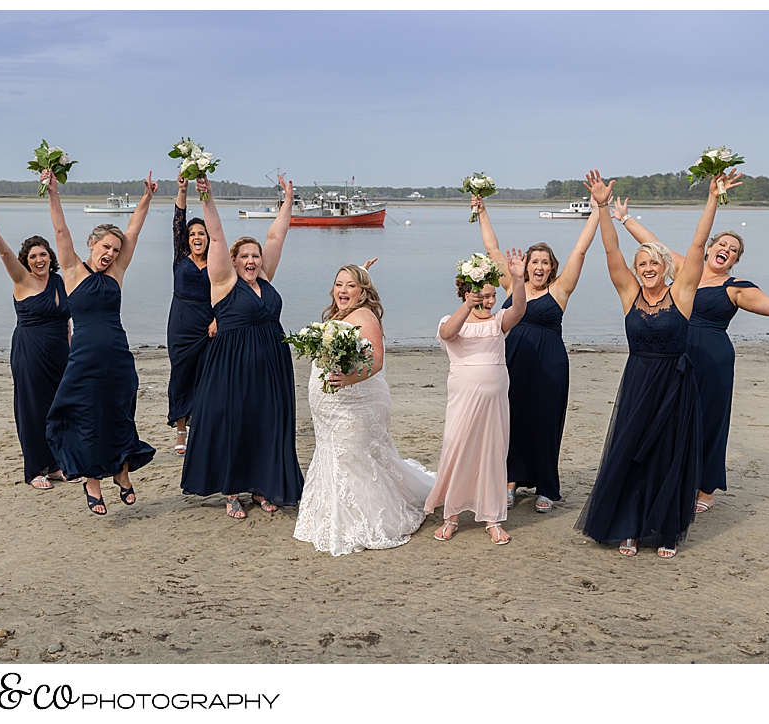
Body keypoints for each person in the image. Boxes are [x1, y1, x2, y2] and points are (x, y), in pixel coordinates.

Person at [609, 198, 769, 513]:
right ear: (710, 247)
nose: (726, 250)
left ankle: (705, 488)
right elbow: (652, 245)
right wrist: (623, 219)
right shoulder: (685, 269)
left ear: (734, 260)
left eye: (733, 250)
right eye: (723, 244)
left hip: (712, 359)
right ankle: (673, 478)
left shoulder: (737, 288)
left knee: (708, 420)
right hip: (676, 353)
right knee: (671, 418)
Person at [575, 168, 738, 558]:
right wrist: (601, 207)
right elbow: (611, 250)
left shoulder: (682, 293)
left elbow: (698, 245)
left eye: (653, 262)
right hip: (637, 381)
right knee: (630, 451)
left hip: (675, 383)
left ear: (665, 266)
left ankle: (665, 530)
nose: (647, 268)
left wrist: (713, 197)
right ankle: (627, 526)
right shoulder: (629, 292)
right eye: (641, 263)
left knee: (668, 456)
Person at [179, 176, 305, 518]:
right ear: (232, 261)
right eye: (244, 256)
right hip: (231, 366)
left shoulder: (265, 279)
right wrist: (206, 198)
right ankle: (232, 492)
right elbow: (216, 235)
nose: (251, 260)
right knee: (234, 423)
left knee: (267, 422)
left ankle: (263, 487)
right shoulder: (223, 283)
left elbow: (276, 234)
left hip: (272, 365)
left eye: (256, 256)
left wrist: (288, 200)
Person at [293, 263, 436, 556]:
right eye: (338, 284)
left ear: (362, 292)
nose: (343, 290)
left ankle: (365, 520)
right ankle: (330, 516)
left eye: (350, 285)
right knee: (332, 455)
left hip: (356, 402)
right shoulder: (338, 314)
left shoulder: (366, 316)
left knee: (353, 457)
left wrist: (347, 379)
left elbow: (376, 361)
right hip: (329, 406)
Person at [473, 193, 600, 513]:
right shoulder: (511, 285)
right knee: (510, 420)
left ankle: (546, 486)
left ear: (551, 267)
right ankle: (510, 482)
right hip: (511, 362)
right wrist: (482, 211)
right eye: (535, 261)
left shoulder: (559, 290)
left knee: (544, 424)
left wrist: (598, 211)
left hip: (549, 366)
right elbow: (493, 250)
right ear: (526, 265)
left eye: (545, 262)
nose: (540, 266)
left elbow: (580, 251)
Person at [42, 170, 157, 515]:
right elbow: (60, 231)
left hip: (118, 356)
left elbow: (133, 232)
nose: (110, 253)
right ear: (92, 244)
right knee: (86, 418)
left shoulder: (117, 275)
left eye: (115, 250)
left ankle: (121, 473)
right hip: (85, 358)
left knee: (120, 414)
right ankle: (92, 482)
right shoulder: (73, 271)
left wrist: (147, 198)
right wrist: (53, 192)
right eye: (106, 246)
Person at [425, 249, 528, 545]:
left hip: (495, 399)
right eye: (484, 295)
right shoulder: (451, 319)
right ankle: (452, 516)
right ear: (467, 293)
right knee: (457, 448)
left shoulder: (498, 321)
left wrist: (518, 280)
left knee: (493, 452)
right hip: (463, 397)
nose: (490, 301)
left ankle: (492, 518)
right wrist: (468, 306)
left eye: (493, 295)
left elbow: (519, 310)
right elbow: (447, 334)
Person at [0, 202, 74, 490]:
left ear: (50, 256)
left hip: (60, 353)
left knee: (59, 407)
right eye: (33, 256)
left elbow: (66, 322)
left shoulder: (60, 281)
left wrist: (71, 350)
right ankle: (34, 470)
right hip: (29, 352)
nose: (39, 260)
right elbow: (3, 251)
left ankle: (55, 465)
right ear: (25, 260)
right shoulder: (22, 279)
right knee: (31, 409)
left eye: (43, 254)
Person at [167, 175, 217, 455]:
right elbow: (178, 218)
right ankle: (181, 430)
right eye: (192, 234)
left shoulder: (218, 261)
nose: (197, 237)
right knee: (181, 374)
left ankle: (203, 427)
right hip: (181, 322)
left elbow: (226, 293)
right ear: (187, 239)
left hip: (207, 322)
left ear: (209, 237)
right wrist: (183, 189)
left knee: (207, 375)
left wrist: (217, 318)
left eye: (202, 233)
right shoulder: (180, 257)